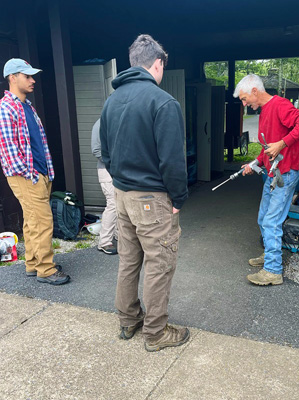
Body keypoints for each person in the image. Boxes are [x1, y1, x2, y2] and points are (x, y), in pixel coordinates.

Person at [100, 34, 189, 351]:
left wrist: (122, 181)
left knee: (128, 261)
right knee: (159, 264)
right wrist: (178, 199)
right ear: (158, 63)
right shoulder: (162, 102)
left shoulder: (112, 101)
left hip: (122, 194)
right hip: (152, 199)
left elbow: (106, 153)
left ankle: (128, 321)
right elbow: (172, 162)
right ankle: (155, 333)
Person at [234, 74, 299, 286]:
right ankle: (270, 254)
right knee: (263, 218)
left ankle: (273, 270)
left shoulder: (279, 105)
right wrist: (255, 163)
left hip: (285, 173)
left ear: (254, 91)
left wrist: (283, 143)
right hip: (272, 173)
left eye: (244, 99)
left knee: (271, 221)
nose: (244, 104)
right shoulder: (264, 111)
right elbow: (267, 148)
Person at [0, 58, 70, 285]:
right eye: (27, 76)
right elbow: (9, 150)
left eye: (32, 76)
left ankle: (33, 263)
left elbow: (36, 143)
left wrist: (44, 173)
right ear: (13, 78)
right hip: (26, 176)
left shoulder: (26, 106)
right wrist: (30, 175)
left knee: (32, 220)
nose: (33, 80)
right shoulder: (6, 108)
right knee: (42, 221)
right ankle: (46, 269)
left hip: (38, 173)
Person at [91, 118, 118, 255]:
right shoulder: (101, 123)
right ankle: (104, 241)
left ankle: (119, 236)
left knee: (121, 204)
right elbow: (96, 150)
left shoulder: (119, 121)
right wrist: (114, 163)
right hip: (107, 171)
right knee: (113, 204)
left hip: (121, 171)